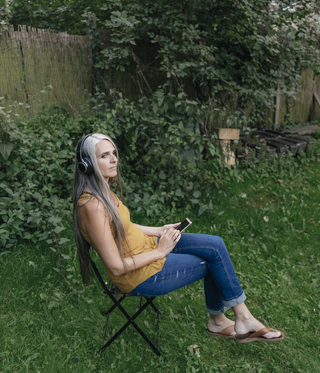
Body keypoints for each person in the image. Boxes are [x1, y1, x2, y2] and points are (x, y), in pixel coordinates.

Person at [73, 133, 284, 344]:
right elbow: (117, 267)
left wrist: (158, 230)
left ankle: (229, 319)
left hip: (148, 248)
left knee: (215, 245)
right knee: (211, 261)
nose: (114, 159)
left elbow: (121, 225)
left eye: (114, 153)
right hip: (137, 273)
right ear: (87, 164)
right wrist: (160, 251)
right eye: (104, 156)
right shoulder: (92, 206)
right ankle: (232, 320)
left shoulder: (103, 190)